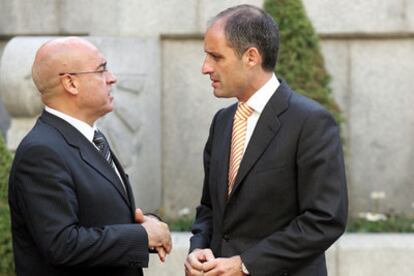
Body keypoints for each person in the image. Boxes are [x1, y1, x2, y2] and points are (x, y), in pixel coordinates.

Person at [185, 5, 348, 276]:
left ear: (251, 57)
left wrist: (245, 264)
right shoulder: (222, 122)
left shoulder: (311, 122)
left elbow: (324, 220)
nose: (205, 68)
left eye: (216, 57)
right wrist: (198, 248)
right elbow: (210, 208)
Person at [8, 37, 172, 276]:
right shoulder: (42, 152)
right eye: (101, 70)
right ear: (70, 83)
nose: (112, 78)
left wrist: (145, 224)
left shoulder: (89, 137)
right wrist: (142, 235)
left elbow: (96, 216)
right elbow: (62, 244)